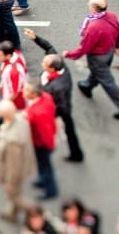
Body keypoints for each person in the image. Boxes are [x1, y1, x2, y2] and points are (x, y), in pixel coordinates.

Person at [63, 0, 119, 119]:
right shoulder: (111, 15)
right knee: (99, 73)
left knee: (108, 82)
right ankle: (87, 85)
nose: (88, 6)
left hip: (97, 58)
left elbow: (84, 48)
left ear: (94, 10)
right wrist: (118, 45)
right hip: (109, 52)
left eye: (89, 5)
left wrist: (68, 54)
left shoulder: (93, 27)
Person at [24, 29, 83, 162]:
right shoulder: (57, 63)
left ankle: (74, 154)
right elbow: (49, 47)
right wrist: (35, 38)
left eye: (44, 64)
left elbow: (60, 106)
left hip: (60, 109)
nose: (41, 64)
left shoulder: (59, 87)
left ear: (52, 69)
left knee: (67, 130)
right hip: (52, 102)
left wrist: (50, 114)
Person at [0, 99, 35, 223]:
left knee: (14, 196)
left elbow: (13, 166)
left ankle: (35, 210)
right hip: (22, 167)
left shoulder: (12, 140)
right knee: (14, 194)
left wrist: (10, 182)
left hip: (14, 174)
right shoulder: (21, 120)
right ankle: (11, 214)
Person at [23, 83, 57, 200]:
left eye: (26, 90)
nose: (23, 91)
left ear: (33, 94)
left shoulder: (36, 113)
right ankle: (42, 180)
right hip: (44, 140)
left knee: (45, 165)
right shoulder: (46, 97)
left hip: (41, 143)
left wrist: (49, 146)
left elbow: (44, 131)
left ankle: (51, 190)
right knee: (42, 164)